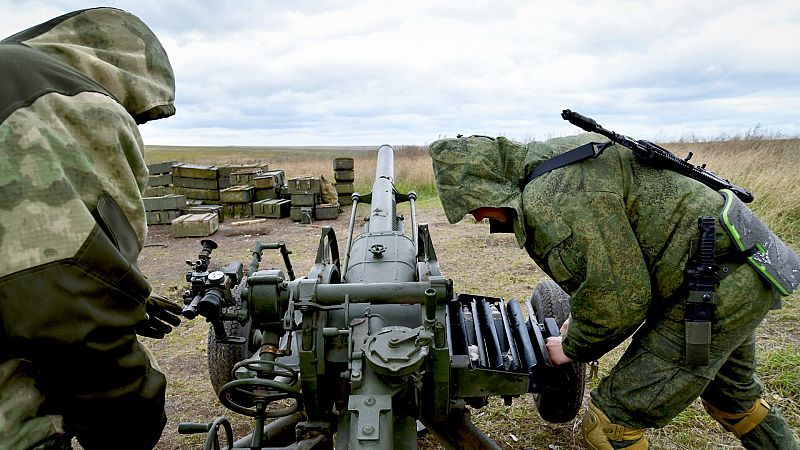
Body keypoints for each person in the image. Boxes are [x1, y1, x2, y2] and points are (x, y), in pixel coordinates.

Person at [429, 133, 800, 449]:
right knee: (733, 399)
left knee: (609, 426)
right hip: (744, 265)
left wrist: (572, 348)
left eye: (473, 204)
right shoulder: (557, 159)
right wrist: (580, 316)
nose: (476, 217)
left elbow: (619, 301)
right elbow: (611, 270)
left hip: (711, 288)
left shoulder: (550, 197)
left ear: (490, 183)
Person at [0, 8, 181, 450]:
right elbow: (68, 307)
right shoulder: (68, 101)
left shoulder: (13, 76)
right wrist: (130, 426)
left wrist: (126, 294)